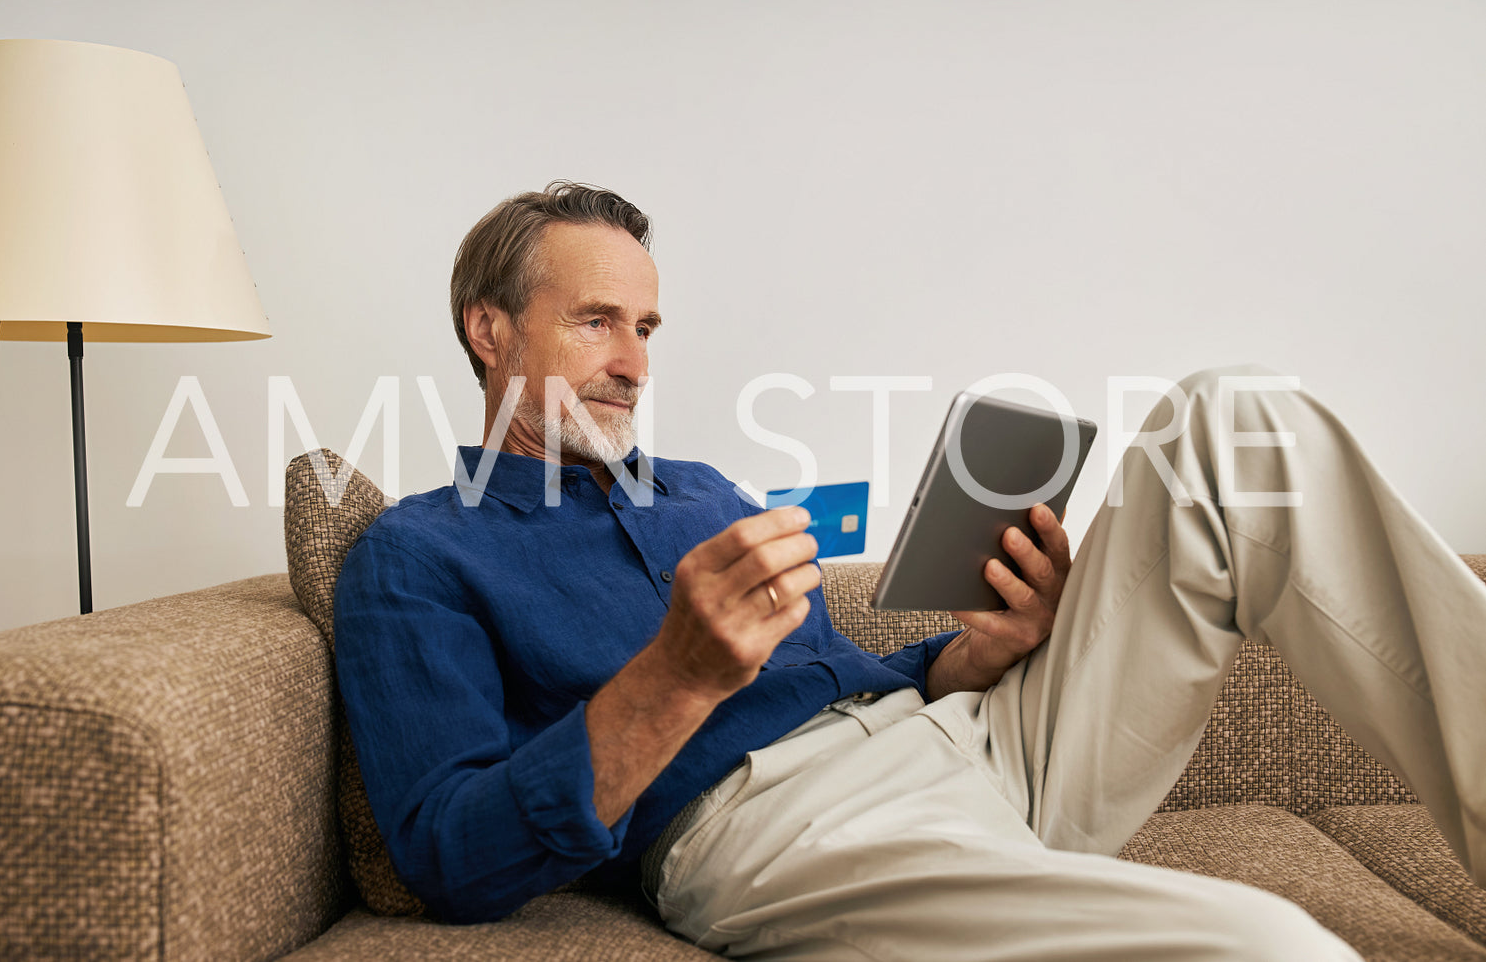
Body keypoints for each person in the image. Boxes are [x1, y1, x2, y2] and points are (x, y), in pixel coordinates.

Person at [333, 181, 1485, 961]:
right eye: (596, 321)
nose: (633, 363)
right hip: (777, 832)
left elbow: (831, 674)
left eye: (648, 327)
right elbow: (450, 854)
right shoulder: (414, 553)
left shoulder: (698, 489)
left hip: (980, 742)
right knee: (1274, 946)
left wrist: (968, 655)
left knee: (1237, 417)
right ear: (489, 332)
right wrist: (676, 676)